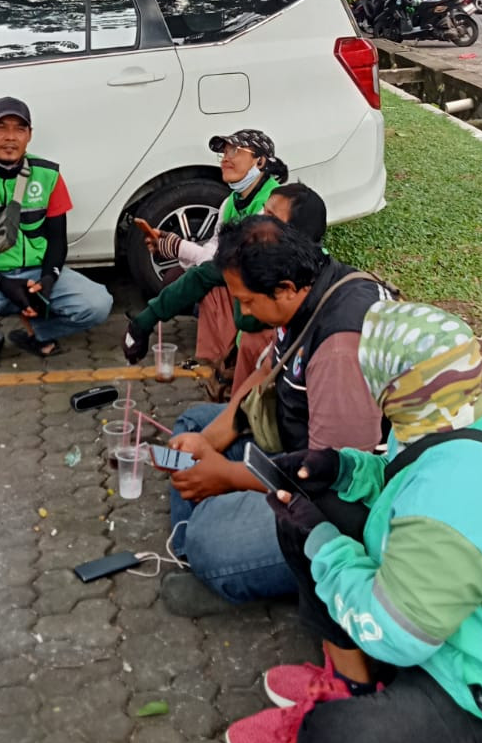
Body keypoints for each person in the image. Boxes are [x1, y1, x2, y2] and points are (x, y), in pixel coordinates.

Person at [223, 303, 482, 743]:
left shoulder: (453, 497)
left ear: (390, 387)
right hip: (454, 633)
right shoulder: (453, 410)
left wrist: (326, 543)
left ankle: (356, 702)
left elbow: (394, 634)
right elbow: (406, 476)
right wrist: (340, 467)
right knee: (310, 506)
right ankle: (353, 684)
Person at [160, 214, 398, 616]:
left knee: (211, 538)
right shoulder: (313, 286)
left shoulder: (341, 348)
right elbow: (263, 374)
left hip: (340, 493)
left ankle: (222, 557)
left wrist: (227, 475)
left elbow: (335, 478)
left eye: (248, 301)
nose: (243, 310)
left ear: (285, 289)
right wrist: (212, 442)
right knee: (192, 426)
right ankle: (200, 547)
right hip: (292, 439)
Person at [0, 97, 113, 366]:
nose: (10, 137)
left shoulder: (48, 175)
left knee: (98, 304)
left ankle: (37, 330)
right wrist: (2, 282)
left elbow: (57, 239)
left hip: (35, 272)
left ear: (29, 135)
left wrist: (48, 279)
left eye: (19, 129)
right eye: (0, 128)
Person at [122, 182, 328, 395]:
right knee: (206, 285)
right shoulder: (253, 233)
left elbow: (245, 320)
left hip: (288, 371)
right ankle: (226, 381)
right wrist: (143, 322)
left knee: (251, 339)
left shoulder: (300, 277)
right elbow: (205, 272)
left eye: (271, 217)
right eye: (263, 211)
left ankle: (242, 402)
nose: (259, 220)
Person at [130, 130, 288, 393]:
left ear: (260, 162)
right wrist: (171, 248)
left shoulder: (273, 204)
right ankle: (222, 367)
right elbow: (215, 252)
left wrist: (177, 246)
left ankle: (237, 373)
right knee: (180, 278)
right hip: (244, 281)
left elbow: (224, 265)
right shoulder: (231, 202)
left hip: (274, 297)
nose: (225, 159)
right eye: (224, 152)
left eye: (235, 152)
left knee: (204, 282)